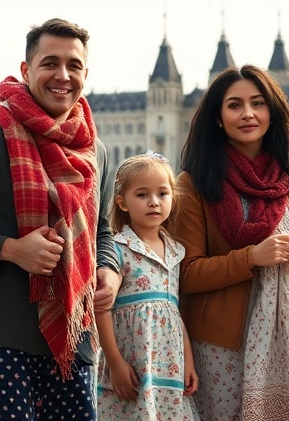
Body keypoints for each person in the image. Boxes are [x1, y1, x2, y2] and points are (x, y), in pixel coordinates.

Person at [0, 18, 121, 419]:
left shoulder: (93, 150)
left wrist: (110, 269)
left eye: (74, 65)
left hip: (73, 342)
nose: (62, 75)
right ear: (27, 70)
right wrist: (11, 250)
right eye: (50, 63)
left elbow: (102, 230)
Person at [171, 65, 289, 420]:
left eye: (258, 103)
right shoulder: (194, 184)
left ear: (272, 113)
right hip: (222, 345)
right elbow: (186, 273)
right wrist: (251, 258)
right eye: (235, 105)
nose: (248, 114)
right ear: (217, 117)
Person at [97, 152, 200, 421]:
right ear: (122, 202)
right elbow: (101, 309)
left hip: (168, 368)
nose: (154, 202)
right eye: (142, 195)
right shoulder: (117, 249)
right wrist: (115, 364)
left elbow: (174, 312)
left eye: (162, 194)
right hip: (131, 365)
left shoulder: (176, 251)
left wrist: (188, 359)